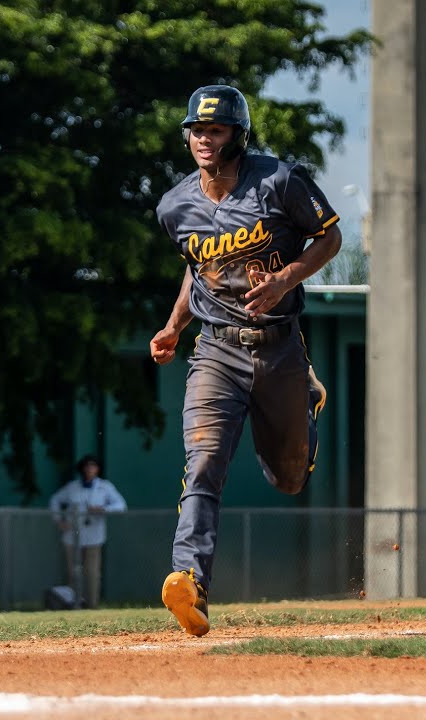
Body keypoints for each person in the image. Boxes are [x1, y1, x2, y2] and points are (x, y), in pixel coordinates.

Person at [149, 84, 342, 637]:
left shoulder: (279, 180)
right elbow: (197, 266)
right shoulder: (174, 206)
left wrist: (286, 278)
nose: (204, 139)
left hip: (280, 347)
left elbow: (328, 238)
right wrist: (173, 325)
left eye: (216, 130)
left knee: (288, 480)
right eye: (197, 130)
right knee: (204, 462)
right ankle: (190, 579)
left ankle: (306, 397)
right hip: (215, 350)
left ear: (238, 135)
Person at [48, 454, 128, 608]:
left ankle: (92, 605)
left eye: (93, 466)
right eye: (87, 466)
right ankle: (73, 603)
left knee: (91, 573)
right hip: (72, 536)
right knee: (73, 572)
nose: (89, 469)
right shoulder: (72, 487)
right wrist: (59, 520)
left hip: (94, 537)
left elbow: (121, 505)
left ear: (98, 469)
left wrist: (103, 509)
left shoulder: (105, 487)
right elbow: (55, 500)